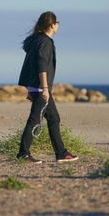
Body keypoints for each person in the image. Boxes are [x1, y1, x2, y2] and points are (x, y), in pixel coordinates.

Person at [17, 11, 78, 163]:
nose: (58, 25)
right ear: (52, 25)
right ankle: (23, 154)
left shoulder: (35, 40)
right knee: (35, 120)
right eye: (57, 23)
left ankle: (61, 153)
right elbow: (41, 65)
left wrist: (30, 89)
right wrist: (45, 89)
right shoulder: (45, 41)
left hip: (35, 87)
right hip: (40, 88)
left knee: (53, 118)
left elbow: (29, 66)